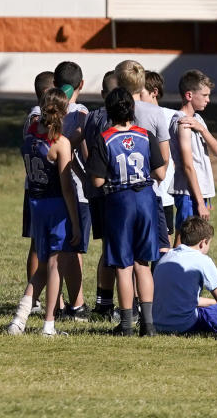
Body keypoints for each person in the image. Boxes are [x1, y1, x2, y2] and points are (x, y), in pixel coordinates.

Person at [85, 87, 165, 336]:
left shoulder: (104, 138)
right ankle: (149, 324)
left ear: (109, 111)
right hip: (146, 200)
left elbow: (97, 181)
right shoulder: (145, 134)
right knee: (143, 263)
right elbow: (160, 172)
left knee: (123, 265)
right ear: (133, 109)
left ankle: (127, 324)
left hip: (120, 201)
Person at [7, 87, 81, 336]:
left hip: (35, 203)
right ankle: (49, 324)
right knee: (54, 266)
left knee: (42, 265)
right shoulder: (60, 143)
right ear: (64, 112)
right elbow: (67, 188)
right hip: (56, 205)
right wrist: (76, 222)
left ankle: (19, 319)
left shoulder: (29, 136)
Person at [114, 61, 171, 255]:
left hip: (118, 191)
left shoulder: (110, 112)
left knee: (122, 254)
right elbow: (163, 160)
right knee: (155, 251)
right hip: (149, 192)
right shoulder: (155, 112)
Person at [151, 217, 217, 335]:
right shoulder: (202, 260)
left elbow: (181, 298)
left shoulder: (166, 257)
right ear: (203, 243)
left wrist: (213, 303)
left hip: (158, 324)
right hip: (187, 325)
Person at [52, 60, 91, 321]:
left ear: (55, 85)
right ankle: (77, 305)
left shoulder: (43, 111)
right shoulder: (81, 113)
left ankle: (57, 302)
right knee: (73, 247)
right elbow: (86, 153)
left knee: (54, 248)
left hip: (49, 189)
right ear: (81, 85)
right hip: (76, 189)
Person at [83, 70, 120, 318]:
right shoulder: (115, 118)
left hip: (96, 191)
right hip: (115, 190)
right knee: (122, 250)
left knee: (109, 248)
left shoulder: (91, 118)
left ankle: (103, 303)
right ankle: (130, 306)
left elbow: (87, 151)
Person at [169, 69, 217, 245]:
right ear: (190, 95)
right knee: (183, 235)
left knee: (196, 236)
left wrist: (202, 129)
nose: (208, 100)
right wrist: (200, 202)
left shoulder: (197, 120)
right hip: (188, 191)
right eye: (205, 95)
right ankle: (173, 270)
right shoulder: (182, 122)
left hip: (199, 191)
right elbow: (187, 165)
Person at [21, 70, 55, 313]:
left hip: (39, 188)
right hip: (39, 189)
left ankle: (44, 297)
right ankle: (33, 299)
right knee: (38, 244)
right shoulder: (37, 117)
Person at [144, 70, 177, 246]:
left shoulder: (170, 116)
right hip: (141, 190)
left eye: (140, 93)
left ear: (154, 92)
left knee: (164, 241)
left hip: (162, 191)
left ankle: (160, 273)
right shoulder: (134, 113)